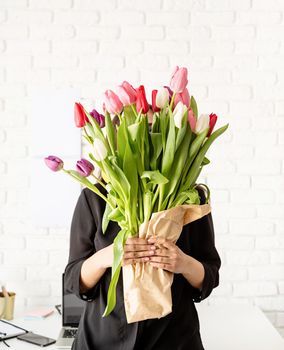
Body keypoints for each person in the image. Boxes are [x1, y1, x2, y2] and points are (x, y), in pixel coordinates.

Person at [64, 183, 221, 350]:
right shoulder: (95, 196)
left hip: (174, 338)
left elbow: (210, 276)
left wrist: (184, 263)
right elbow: (74, 280)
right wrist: (105, 257)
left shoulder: (190, 195)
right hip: (102, 339)